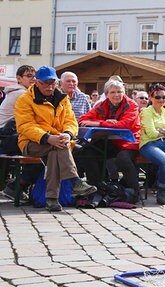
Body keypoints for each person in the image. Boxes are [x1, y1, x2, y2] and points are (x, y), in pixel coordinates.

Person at [14, 65, 97, 212]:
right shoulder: (25, 100)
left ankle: (52, 200)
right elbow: (25, 126)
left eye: (52, 83)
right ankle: (74, 181)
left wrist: (68, 134)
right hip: (31, 142)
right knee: (59, 146)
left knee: (56, 150)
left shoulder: (62, 99)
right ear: (37, 82)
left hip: (58, 141)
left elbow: (71, 121)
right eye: (45, 83)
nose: (49, 86)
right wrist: (47, 137)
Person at [76, 79, 141, 199]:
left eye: (119, 91)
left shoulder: (132, 105)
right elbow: (83, 120)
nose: (117, 95)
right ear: (106, 94)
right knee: (87, 152)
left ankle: (135, 192)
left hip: (129, 142)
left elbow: (124, 125)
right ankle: (96, 188)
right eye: (113, 92)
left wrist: (99, 124)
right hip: (109, 141)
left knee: (123, 159)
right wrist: (103, 122)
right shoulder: (101, 105)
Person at [0, 65, 39, 202]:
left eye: (34, 76)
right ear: (18, 78)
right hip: (7, 138)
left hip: (9, 136)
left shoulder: (18, 92)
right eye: (29, 76)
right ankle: (16, 186)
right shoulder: (21, 94)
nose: (33, 79)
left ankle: (18, 185)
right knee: (41, 152)